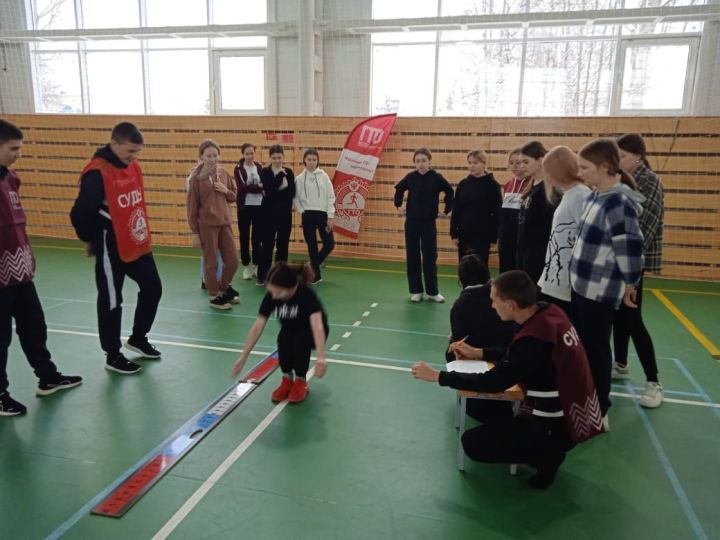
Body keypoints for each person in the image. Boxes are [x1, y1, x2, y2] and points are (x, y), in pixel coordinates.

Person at [413, 270, 603, 489]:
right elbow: (516, 353)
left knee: (472, 443)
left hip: (555, 424)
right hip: (577, 412)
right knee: (492, 417)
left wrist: (438, 376)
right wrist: (480, 352)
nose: (492, 306)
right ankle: (544, 448)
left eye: (494, 301)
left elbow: (492, 382)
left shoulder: (533, 341)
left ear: (511, 305)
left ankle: (548, 453)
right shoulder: (550, 313)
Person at [0, 119, 82, 416]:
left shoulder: (11, 178)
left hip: (20, 273)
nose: (17, 154)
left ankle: (47, 377)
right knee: (1, 338)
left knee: (34, 326)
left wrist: (26, 258)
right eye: (13, 149)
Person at [70, 122, 162, 375]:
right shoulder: (96, 173)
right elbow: (80, 212)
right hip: (111, 245)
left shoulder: (132, 166)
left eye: (136, 152)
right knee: (112, 300)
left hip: (136, 240)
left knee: (153, 288)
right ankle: (112, 354)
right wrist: (89, 239)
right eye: (129, 151)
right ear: (114, 143)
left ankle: (138, 338)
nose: (132, 157)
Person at [570, 138, 644, 425]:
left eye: (585, 167)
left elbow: (629, 247)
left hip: (599, 291)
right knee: (584, 348)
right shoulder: (594, 195)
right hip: (581, 285)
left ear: (604, 167)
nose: (581, 172)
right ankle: (585, 397)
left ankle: (600, 408)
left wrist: (630, 283)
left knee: (597, 350)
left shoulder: (619, 202)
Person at [613, 134, 664, 408]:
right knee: (619, 316)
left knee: (632, 318)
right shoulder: (625, 180)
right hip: (617, 260)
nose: (618, 162)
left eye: (621, 156)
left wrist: (628, 272)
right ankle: (620, 364)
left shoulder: (649, 181)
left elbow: (642, 228)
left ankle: (654, 382)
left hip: (631, 262)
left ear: (638, 156)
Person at [231, 262, 328, 404]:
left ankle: (301, 381)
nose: (274, 297)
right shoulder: (272, 295)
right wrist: (243, 357)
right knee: (283, 342)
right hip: (289, 327)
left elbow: (317, 326)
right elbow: (257, 327)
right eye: (272, 292)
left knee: (300, 342)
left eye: (278, 292)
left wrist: (321, 357)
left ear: (291, 287)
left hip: (313, 331)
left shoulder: (306, 295)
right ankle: (287, 380)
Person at [394, 148, 454, 303]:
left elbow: (449, 192)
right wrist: (398, 205)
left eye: (423, 160)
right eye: (417, 161)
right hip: (412, 223)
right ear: (414, 163)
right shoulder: (410, 177)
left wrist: (446, 210)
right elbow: (399, 189)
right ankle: (416, 290)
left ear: (429, 161)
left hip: (428, 223)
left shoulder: (436, 178)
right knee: (412, 256)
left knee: (430, 257)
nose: (420, 164)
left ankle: (433, 292)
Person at [537, 146, 592, 315]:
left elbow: (585, 238)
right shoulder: (570, 193)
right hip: (557, 273)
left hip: (569, 277)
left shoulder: (580, 195)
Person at [187, 139, 240, 310]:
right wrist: (195, 232)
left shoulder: (223, 173)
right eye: (208, 156)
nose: (212, 159)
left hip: (224, 223)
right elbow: (192, 207)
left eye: (215, 155)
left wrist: (226, 191)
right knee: (212, 263)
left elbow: (234, 196)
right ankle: (214, 295)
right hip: (206, 226)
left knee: (232, 260)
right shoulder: (196, 178)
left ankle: (223, 288)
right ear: (201, 156)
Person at [446, 254, 517, 363]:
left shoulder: (459, 305)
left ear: (461, 279)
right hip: (505, 351)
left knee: (450, 350)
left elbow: (458, 342)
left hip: (479, 355)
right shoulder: (502, 294)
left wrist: (452, 339)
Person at [516, 141, 559, 284]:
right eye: (520, 162)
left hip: (539, 256)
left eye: (526, 162)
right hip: (524, 253)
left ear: (540, 161)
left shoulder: (550, 190)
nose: (521, 166)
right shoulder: (530, 188)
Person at [450, 149, 502, 265]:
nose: (472, 166)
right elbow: (456, 210)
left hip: (483, 235)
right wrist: (454, 233)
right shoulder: (463, 184)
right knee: (465, 267)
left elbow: (497, 213)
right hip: (464, 234)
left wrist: (494, 236)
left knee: (480, 267)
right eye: (469, 163)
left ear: (484, 164)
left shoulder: (493, 186)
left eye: (475, 163)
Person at [294, 148, 336, 284]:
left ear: (317, 161)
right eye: (309, 160)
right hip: (307, 215)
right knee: (311, 246)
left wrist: (330, 216)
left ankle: (311, 265)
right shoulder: (299, 179)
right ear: (304, 161)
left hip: (322, 215)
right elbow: (295, 197)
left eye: (314, 160)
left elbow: (331, 196)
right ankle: (316, 275)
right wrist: (302, 210)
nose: (311, 162)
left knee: (329, 244)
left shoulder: (323, 176)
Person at [257, 145, 295, 284]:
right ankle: (263, 275)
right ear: (270, 158)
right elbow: (269, 192)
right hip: (267, 215)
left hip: (284, 216)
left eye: (279, 157)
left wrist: (274, 189)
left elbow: (291, 194)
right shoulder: (265, 172)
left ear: (283, 157)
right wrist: (279, 179)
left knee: (283, 245)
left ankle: (280, 276)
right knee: (267, 245)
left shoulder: (289, 172)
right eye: (274, 157)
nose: (277, 160)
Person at [233, 143, 264, 280]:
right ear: (243, 154)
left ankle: (256, 265)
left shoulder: (258, 167)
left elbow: (264, 185)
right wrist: (258, 188)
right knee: (244, 237)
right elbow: (242, 187)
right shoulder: (238, 168)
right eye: (247, 153)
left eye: (252, 153)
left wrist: (259, 187)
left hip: (258, 207)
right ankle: (246, 266)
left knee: (257, 238)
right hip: (244, 207)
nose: (250, 156)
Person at [497, 149, 528, 273]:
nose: (514, 166)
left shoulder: (532, 184)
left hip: (521, 237)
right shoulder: (508, 184)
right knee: (505, 271)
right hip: (506, 238)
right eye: (511, 163)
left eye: (518, 162)